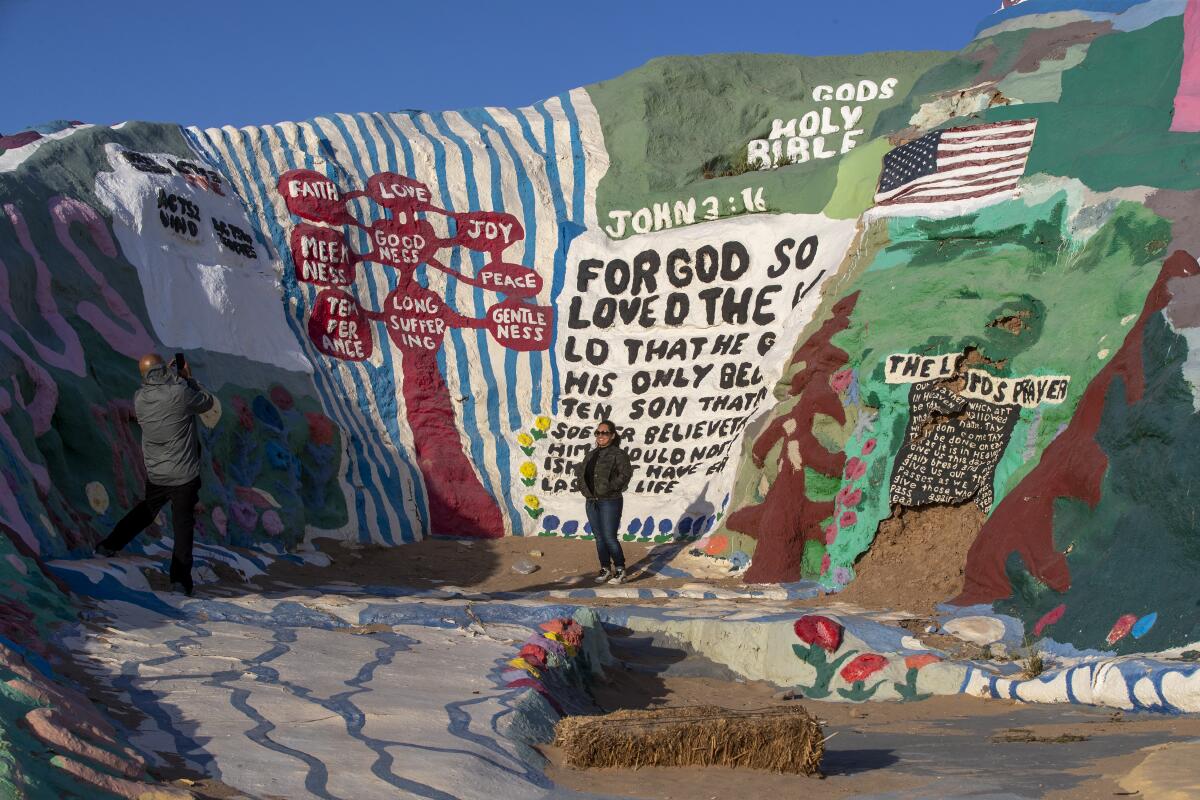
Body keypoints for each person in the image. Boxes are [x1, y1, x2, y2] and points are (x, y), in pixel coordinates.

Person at [95, 353, 214, 596]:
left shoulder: (140, 398)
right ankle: (179, 582)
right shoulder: (180, 392)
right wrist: (188, 378)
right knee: (182, 526)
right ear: (163, 370)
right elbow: (206, 402)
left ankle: (108, 545)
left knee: (146, 511)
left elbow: (165, 395)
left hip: (157, 471)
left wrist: (174, 378)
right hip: (183, 474)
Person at [575, 419, 634, 584]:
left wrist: (610, 487)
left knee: (609, 536)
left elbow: (626, 474)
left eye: (605, 432)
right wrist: (583, 488)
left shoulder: (618, 454)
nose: (600, 435)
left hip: (610, 501)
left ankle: (621, 569)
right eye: (598, 432)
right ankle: (605, 568)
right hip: (592, 501)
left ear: (612, 435)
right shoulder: (591, 454)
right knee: (599, 537)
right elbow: (581, 473)